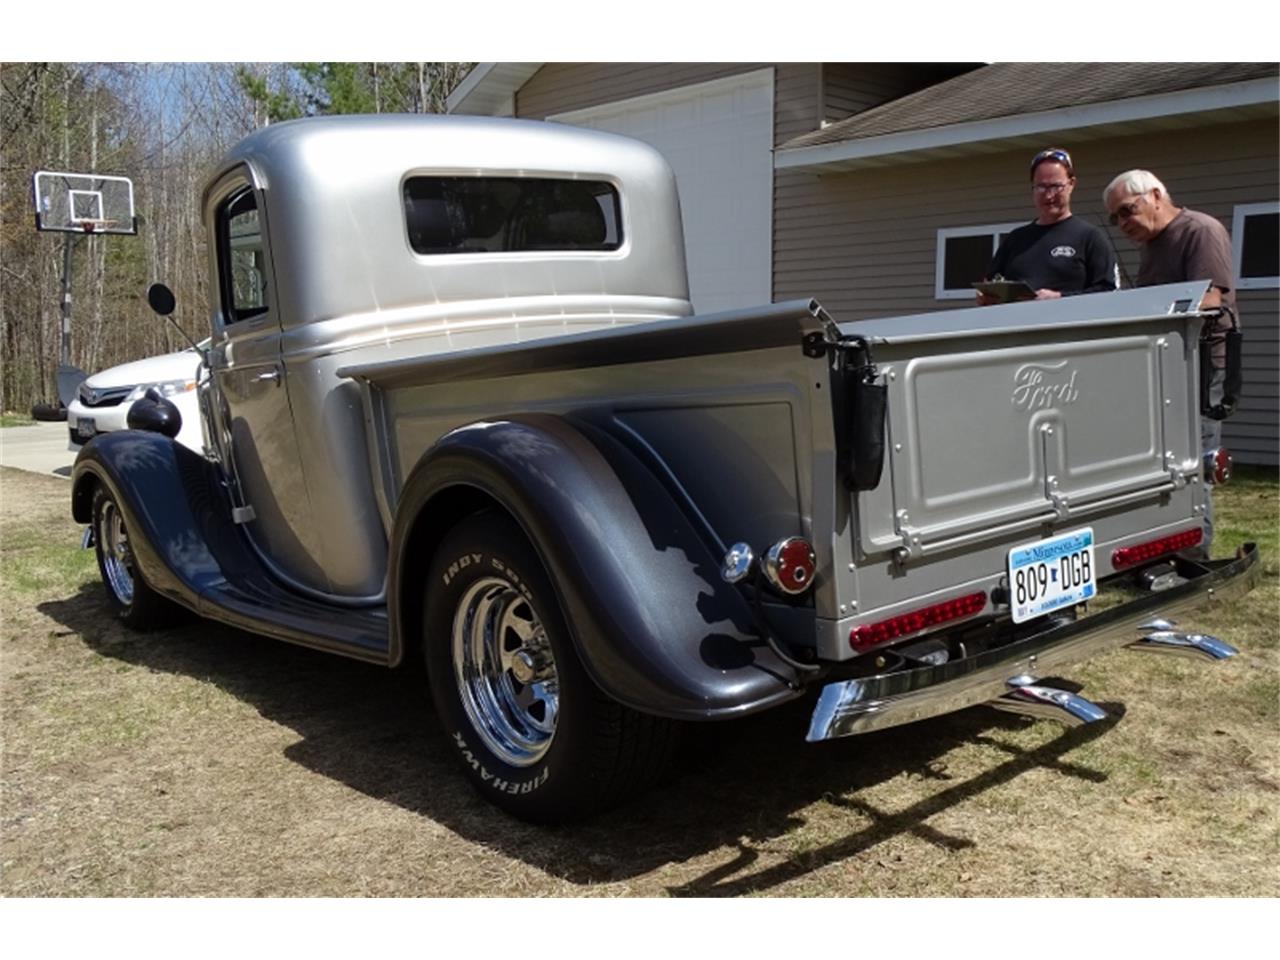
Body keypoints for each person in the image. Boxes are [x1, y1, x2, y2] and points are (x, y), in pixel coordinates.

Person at [1104, 168, 1238, 556]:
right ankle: (1160, 551)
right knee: (1160, 464)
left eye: (1127, 210)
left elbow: (1212, 299)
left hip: (1204, 365)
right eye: (1115, 218)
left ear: (1157, 195)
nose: (1122, 223)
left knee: (1193, 463)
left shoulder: (1199, 230)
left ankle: (1194, 558)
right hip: (1164, 366)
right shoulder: (1151, 246)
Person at [977, 147, 1119, 304]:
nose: (1049, 195)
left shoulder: (1090, 237)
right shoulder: (1015, 240)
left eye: (1056, 186)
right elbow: (989, 286)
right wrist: (986, 297)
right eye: (1041, 187)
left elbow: (1108, 292)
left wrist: (1059, 298)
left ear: (1071, 184)